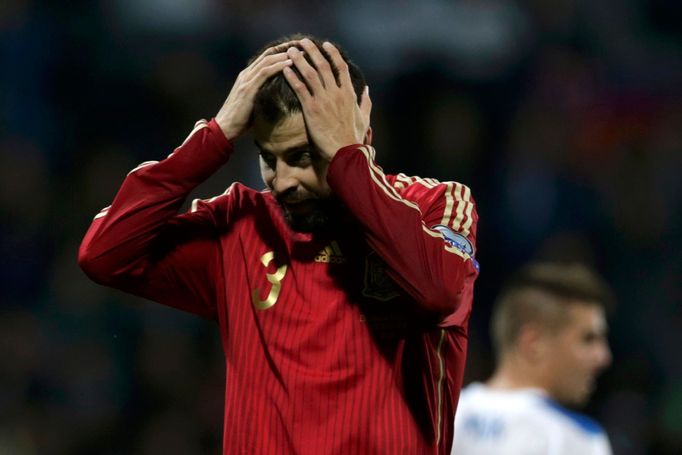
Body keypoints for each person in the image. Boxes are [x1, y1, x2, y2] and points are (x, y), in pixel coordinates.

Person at [78, 35, 480, 454]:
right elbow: (105, 255)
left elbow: (439, 292)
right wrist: (214, 136)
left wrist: (348, 161)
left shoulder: (436, 206)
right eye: (269, 158)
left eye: (305, 156)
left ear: (360, 136)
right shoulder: (239, 223)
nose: (284, 181)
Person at [452, 262, 613, 454]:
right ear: (533, 343)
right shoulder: (580, 439)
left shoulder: (445, 418)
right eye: (588, 339)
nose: (603, 357)